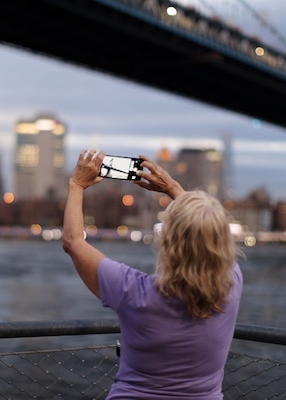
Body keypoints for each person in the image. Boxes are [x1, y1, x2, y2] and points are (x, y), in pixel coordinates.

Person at [62, 149, 243, 400]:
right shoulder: (232, 283)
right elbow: (205, 231)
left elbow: (73, 242)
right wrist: (173, 188)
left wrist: (76, 185)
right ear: (221, 242)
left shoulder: (134, 291)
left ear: (167, 242)